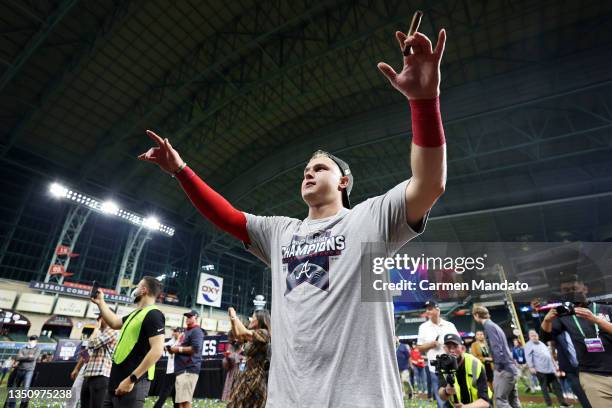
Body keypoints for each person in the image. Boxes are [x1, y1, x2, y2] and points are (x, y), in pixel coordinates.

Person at [139, 22, 447, 408]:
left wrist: (423, 102)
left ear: (344, 181)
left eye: (320, 168)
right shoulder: (280, 232)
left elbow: (430, 183)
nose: (308, 172)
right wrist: (181, 171)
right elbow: (229, 218)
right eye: (306, 169)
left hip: (361, 399)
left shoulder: (371, 218)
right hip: (288, 399)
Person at [91, 276, 165, 408]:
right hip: (116, 381)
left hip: (133, 383)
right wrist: (101, 302)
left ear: (143, 290)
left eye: (137, 286)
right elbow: (114, 322)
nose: (134, 290)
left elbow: (157, 351)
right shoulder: (135, 314)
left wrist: (132, 379)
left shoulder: (154, 314)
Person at [540, 273, 612, 406]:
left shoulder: (606, 309)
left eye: (574, 288)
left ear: (585, 289)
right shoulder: (564, 317)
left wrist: (596, 320)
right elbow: (545, 337)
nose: (570, 293)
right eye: (566, 291)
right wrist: (546, 320)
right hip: (593, 377)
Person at [472, 305, 521, 408]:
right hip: (510, 367)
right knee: (513, 400)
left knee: (500, 400)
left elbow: (496, 348)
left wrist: (498, 367)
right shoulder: (493, 325)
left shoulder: (488, 326)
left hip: (503, 368)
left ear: (476, 315)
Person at [417, 300, 459, 408]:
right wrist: (431, 344)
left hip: (452, 366)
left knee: (457, 396)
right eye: (427, 309)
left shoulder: (449, 325)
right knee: (442, 400)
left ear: (438, 310)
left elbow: (459, 343)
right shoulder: (423, 327)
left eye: (430, 309)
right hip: (435, 368)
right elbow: (419, 348)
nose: (428, 311)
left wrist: (450, 347)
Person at [227, 308, 271, 408]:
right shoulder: (251, 335)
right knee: (235, 403)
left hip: (255, 378)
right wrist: (232, 319)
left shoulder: (264, 333)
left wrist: (234, 316)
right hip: (245, 376)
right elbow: (238, 335)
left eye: (253, 317)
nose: (251, 319)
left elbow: (243, 332)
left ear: (260, 320)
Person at [437, 333, 491, 408]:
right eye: (449, 347)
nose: (452, 350)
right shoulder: (443, 364)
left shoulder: (475, 364)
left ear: (463, 349)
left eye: (455, 346)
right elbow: (442, 396)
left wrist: (464, 407)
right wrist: (446, 391)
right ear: (444, 349)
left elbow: (485, 402)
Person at [524, 330, 569, 407]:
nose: (534, 336)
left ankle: (562, 403)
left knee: (557, 386)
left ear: (538, 335)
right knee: (544, 388)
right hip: (540, 370)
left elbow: (549, 355)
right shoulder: (528, 345)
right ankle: (549, 405)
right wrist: (531, 367)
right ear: (529, 337)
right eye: (532, 335)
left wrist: (555, 366)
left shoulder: (541, 343)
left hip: (550, 369)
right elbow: (528, 356)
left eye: (535, 335)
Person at [81, 315, 118, 408]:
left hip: (101, 375)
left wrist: (95, 330)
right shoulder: (99, 333)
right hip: (88, 374)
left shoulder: (112, 331)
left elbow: (92, 343)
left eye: (100, 318)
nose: (98, 320)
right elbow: (84, 352)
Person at [170, 310, 204, 408]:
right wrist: (173, 350)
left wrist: (178, 349)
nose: (188, 318)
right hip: (182, 369)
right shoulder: (187, 331)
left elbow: (195, 349)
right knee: (181, 402)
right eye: (187, 317)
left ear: (196, 317)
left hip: (188, 368)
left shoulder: (197, 331)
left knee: (185, 402)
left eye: (190, 316)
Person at [7, 335, 40, 408]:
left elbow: (33, 358)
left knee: (25, 389)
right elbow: (18, 357)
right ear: (29, 340)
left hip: (29, 371)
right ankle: (11, 406)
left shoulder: (37, 349)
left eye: (34, 340)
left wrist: (23, 357)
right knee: (14, 389)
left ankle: (22, 406)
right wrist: (28, 356)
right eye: (31, 340)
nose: (32, 341)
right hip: (19, 370)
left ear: (36, 341)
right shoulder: (23, 348)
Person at [154, 327, 182, 408]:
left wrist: (168, 347)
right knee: (174, 394)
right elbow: (164, 345)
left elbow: (174, 348)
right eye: (173, 331)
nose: (173, 333)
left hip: (175, 371)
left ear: (180, 332)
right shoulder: (173, 340)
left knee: (166, 393)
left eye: (175, 331)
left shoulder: (181, 341)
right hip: (171, 371)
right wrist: (165, 346)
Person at [222, 331, 243, 402]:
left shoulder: (243, 345)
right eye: (228, 337)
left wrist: (234, 356)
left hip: (240, 373)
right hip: (232, 372)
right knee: (230, 398)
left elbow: (244, 358)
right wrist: (227, 358)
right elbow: (226, 363)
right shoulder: (230, 346)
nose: (229, 339)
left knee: (238, 397)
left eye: (230, 337)